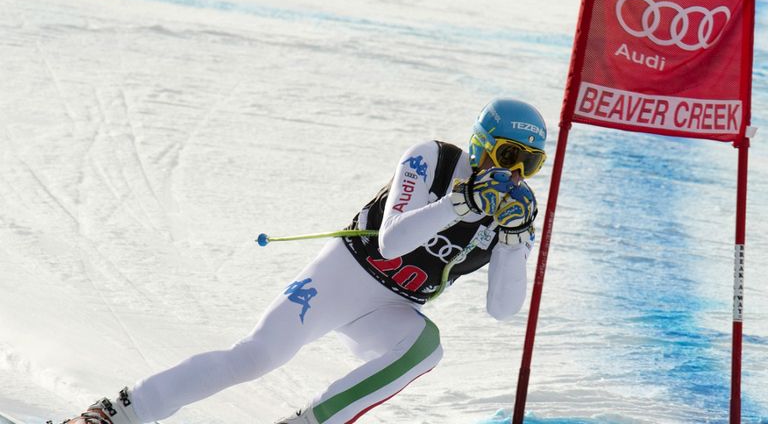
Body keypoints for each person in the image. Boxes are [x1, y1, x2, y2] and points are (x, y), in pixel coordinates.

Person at [63, 97, 548, 424]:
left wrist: (513, 241)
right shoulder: (433, 159)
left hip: (392, 308)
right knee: (254, 357)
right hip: (344, 274)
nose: (514, 172)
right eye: (508, 154)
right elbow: (392, 243)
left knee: (426, 349)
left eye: (530, 163)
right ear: (483, 143)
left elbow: (502, 310)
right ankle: (118, 413)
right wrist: (460, 204)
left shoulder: (510, 213)